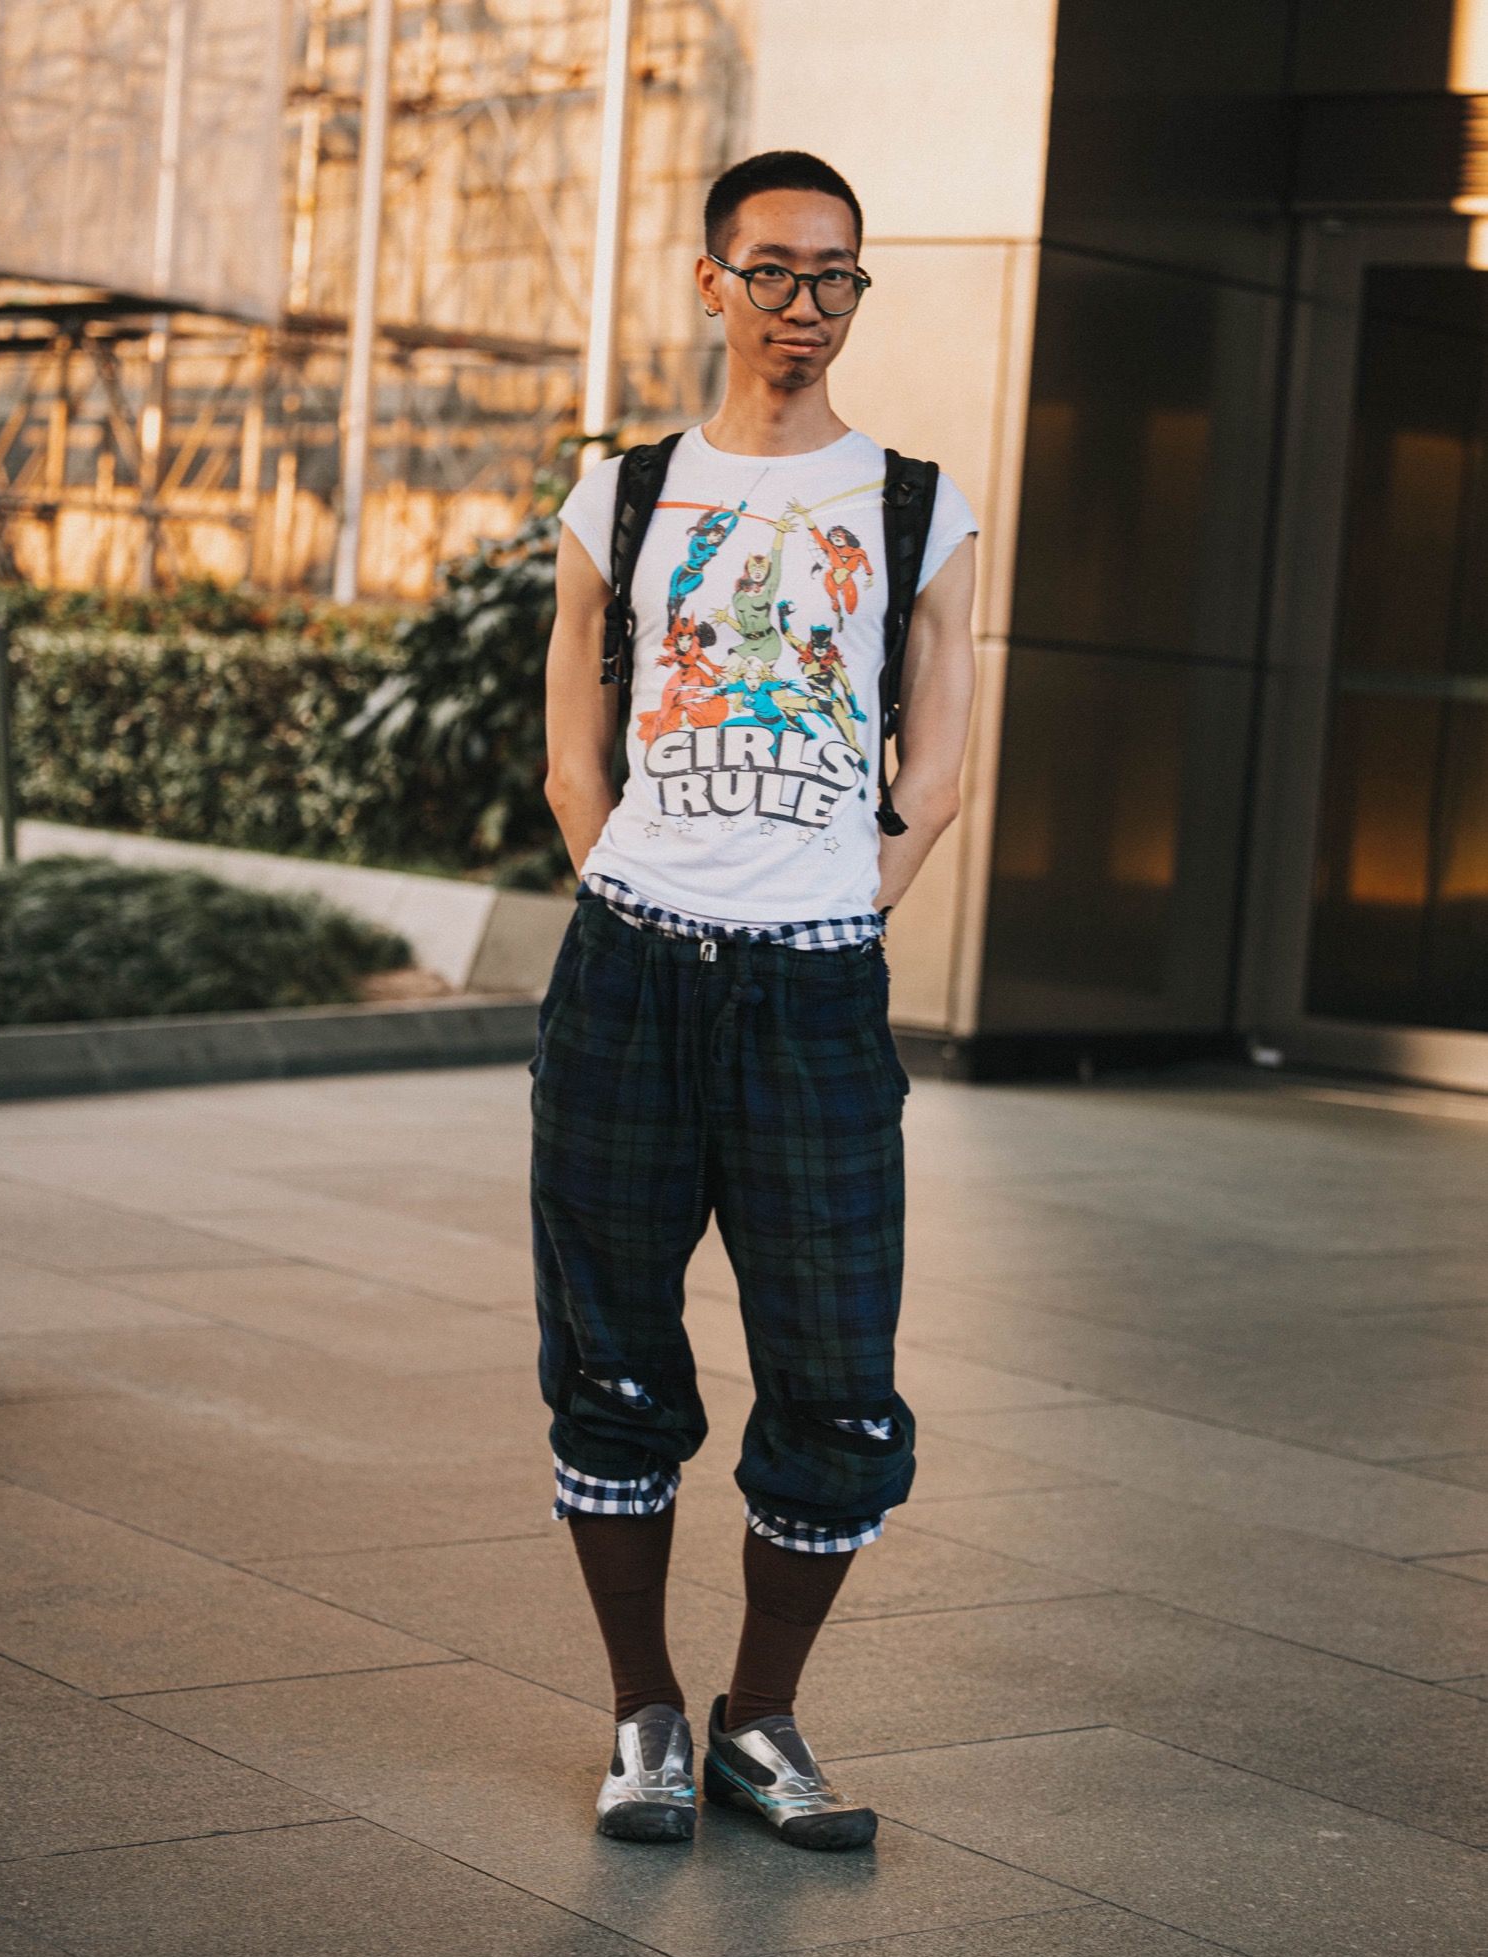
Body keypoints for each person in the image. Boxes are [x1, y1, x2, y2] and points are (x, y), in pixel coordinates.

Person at [533, 148, 978, 1850]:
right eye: (775, 270)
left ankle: (761, 1718)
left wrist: (838, 907)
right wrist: (626, 885)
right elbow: (573, 741)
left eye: (836, 275)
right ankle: (646, 1714)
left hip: (814, 992)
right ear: (712, 279)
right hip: (630, 976)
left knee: (840, 1382)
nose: (807, 305)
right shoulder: (623, 494)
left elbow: (938, 760)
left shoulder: (919, 503)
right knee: (614, 1364)